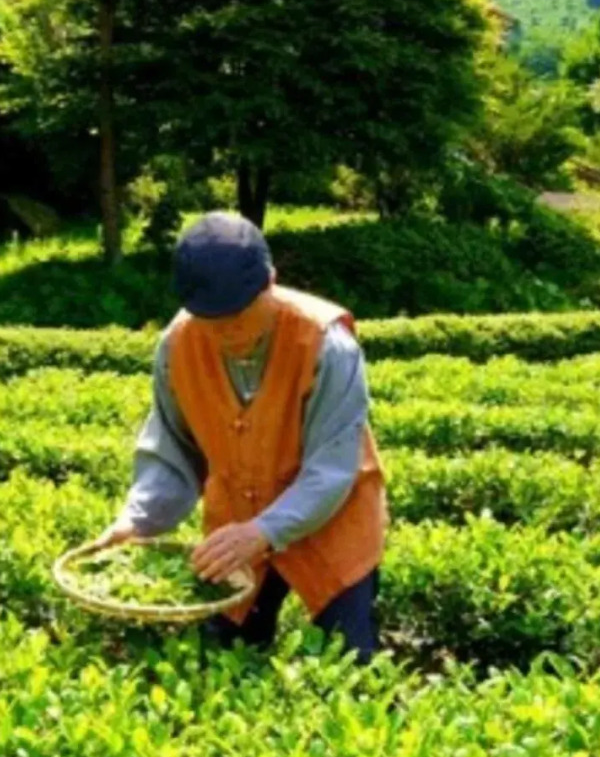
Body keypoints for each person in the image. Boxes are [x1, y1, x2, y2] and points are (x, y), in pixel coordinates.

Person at [98, 212, 388, 660]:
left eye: (239, 314)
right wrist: (137, 521)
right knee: (219, 665)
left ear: (270, 282)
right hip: (234, 531)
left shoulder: (327, 345)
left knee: (349, 666)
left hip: (335, 527)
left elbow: (331, 468)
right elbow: (172, 449)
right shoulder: (178, 345)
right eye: (210, 320)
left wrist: (266, 529)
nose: (227, 333)